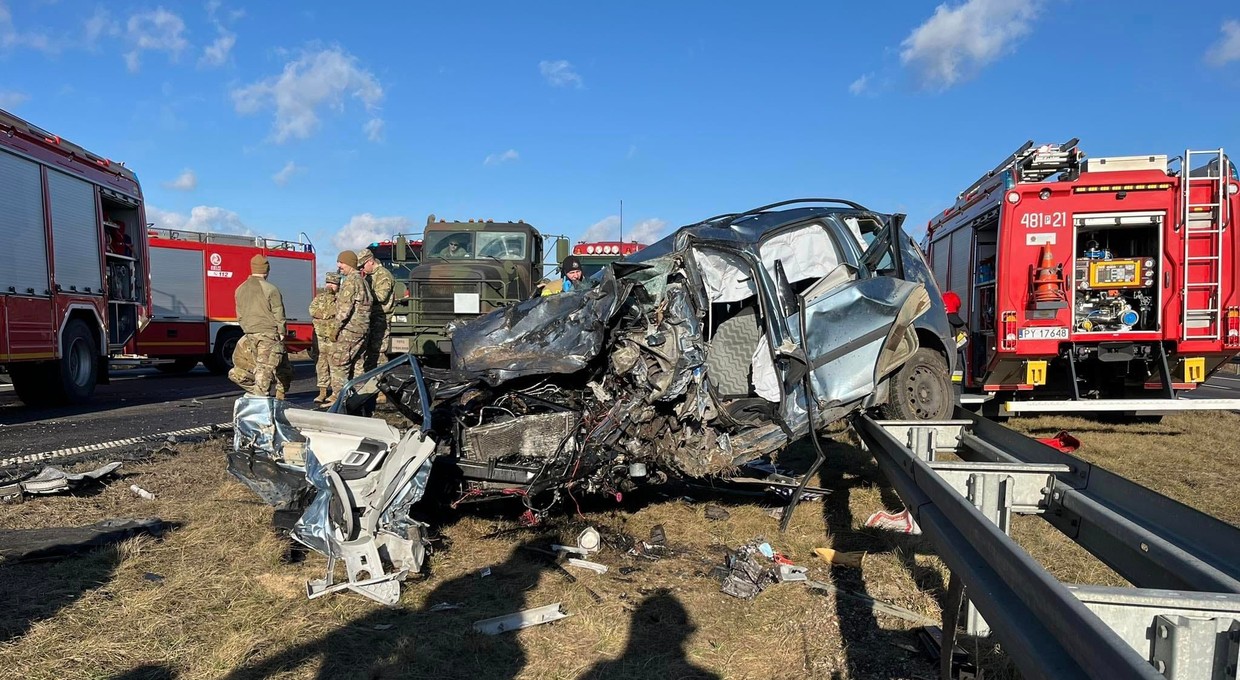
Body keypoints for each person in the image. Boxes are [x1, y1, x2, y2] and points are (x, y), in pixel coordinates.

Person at [229, 254, 288, 399]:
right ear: (267, 270)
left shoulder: (240, 289)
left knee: (263, 367)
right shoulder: (271, 289)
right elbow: (278, 312)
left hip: (250, 333)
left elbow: (240, 314)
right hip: (268, 333)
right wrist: (281, 331)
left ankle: (263, 394)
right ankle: (261, 403)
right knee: (265, 369)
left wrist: (247, 329)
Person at [325, 250, 371, 409]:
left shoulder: (351, 282)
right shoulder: (363, 281)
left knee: (338, 361)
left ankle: (338, 399)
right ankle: (358, 398)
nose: (339, 266)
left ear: (350, 264)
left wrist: (335, 330)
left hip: (350, 330)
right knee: (358, 364)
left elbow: (344, 310)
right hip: (362, 330)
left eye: (341, 263)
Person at [358, 248, 395, 370]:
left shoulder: (383, 275)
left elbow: (381, 296)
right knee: (370, 352)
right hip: (370, 318)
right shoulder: (368, 277)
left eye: (363, 265)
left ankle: (381, 382)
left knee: (378, 352)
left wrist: (362, 296)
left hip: (380, 319)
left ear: (370, 261)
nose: (362, 269)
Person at [309, 272, 340, 404]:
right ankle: (322, 392)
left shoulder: (340, 300)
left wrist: (327, 315)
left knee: (335, 366)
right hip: (320, 338)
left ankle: (335, 392)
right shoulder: (319, 298)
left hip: (334, 339)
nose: (330, 286)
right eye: (328, 283)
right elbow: (312, 310)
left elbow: (341, 314)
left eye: (333, 284)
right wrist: (324, 315)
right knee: (321, 365)